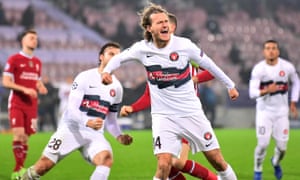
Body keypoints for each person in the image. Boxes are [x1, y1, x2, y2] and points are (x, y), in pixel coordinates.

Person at [101, 3, 239, 180]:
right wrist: (107, 72)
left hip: (191, 113)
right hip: (163, 117)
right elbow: (118, 59)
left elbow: (210, 65)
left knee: (217, 161)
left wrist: (230, 85)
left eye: (166, 21)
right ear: (149, 28)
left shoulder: (184, 46)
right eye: (159, 22)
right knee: (164, 164)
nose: (165, 24)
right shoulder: (142, 49)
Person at [121, 13, 217, 180]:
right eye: (162, 24)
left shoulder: (185, 53)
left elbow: (212, 71)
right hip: (165, 118)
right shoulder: (155, 62)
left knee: (178, 163)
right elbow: (148, 95)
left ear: (173, 29)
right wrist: (133, 108)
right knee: (168, 165)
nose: (166, 28)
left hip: (186, 113)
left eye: (168, 25)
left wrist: (194, 78)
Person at [21, 42, 133, 180]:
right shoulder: (84, 77)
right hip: (71, 129)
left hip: (94, 134)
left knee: (106, 159)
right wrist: (88, 121)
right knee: (43, 166)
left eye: (118, 56)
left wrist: (119, 136)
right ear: (101, 57)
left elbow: (111, 119)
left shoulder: (117, 88)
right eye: (111, 54)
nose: (115, 58)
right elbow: (72, 109)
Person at [249, 40, 300, 180]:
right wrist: (266, 91)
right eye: (267, 48)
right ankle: (257, 170)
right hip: (264, 112)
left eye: (273, 48)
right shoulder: (259, 69)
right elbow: (252, 92)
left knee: (282, 148)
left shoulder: (287, 67)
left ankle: (275, 162)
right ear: (263, 52)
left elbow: (297, 82)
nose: (271, 51)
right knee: (262, 144)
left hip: (282, 113)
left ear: (278, 51)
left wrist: (293, 101)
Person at [2, 28, 48, 180]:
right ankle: (17, 169)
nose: (34, 40)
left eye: (36, 38)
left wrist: (40, 86)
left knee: (26, 138)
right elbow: (6, 82)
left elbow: (37, 79)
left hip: (32, 104)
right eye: (31, 37)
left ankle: (21, 167)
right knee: (19, 134)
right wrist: (25, 89)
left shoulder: (37, 62)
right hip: (17, 102)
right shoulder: (14, 59)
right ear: (23, 40)